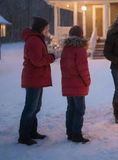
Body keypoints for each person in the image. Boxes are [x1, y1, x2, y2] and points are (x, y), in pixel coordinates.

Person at [18, 17, 55, 145]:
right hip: (33, 78)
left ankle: (32, 132)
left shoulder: (37, 39)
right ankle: (24, 136)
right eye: (47, 28)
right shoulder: (34, 40)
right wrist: (51, 57)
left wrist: (48, 55)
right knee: (30, 108)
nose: (48, 30)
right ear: (41, 28)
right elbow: (37, 61)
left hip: (37, 78)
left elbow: (38, 58)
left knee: (35, 107)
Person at [60, 26, 91, 143]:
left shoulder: (66, 49)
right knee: (79, 110)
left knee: (71, 108)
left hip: (68, 84)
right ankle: (77, 135)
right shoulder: (80, 49)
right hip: (78, 85)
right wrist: (87, 81)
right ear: (81, 35)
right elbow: (83, 69)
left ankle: (70, 133)